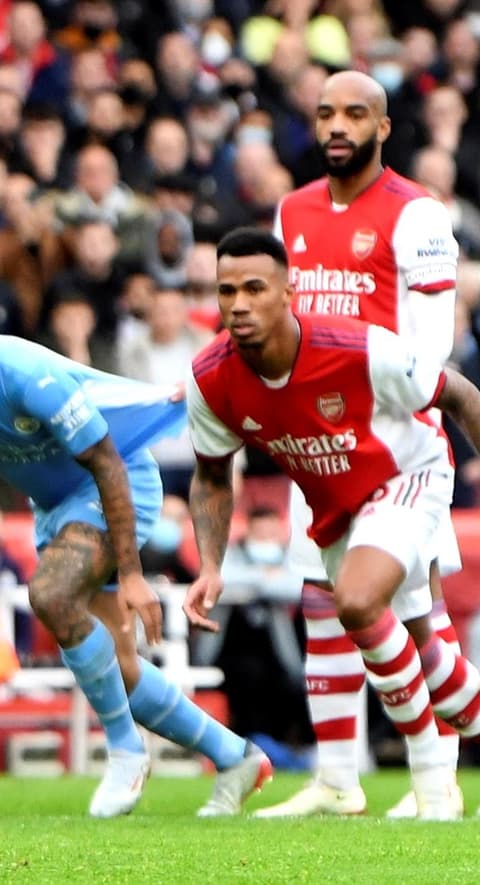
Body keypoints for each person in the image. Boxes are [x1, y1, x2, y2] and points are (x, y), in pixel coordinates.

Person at [0, 268, 271, 818]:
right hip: (56, 507)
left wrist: (132, 575)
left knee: (51, 594)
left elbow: (107, 463)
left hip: (117, 483)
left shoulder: (28, 376)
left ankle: (125, 752)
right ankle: (235, 757)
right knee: (120, 668)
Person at [184, 227, 480, 821]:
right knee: (429, 658)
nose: (239, 304)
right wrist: (211, 565)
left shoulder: (358, 347)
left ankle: (430, 783)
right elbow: (212, 476)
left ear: (289, 292)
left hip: (410, 473)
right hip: (337, 504)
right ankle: (427, 777)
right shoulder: (210, 377)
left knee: (357, 601)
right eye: (226, 291)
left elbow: (462, 395)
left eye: (254, 288)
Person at [264, 70, 465, 819]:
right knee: (323, 603)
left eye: (355, 114)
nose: (337, 126)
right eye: (326, 114)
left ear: (382, 127)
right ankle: (337, 779)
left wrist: (376, 396)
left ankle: (438, 776)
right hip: (314, 446)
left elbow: (432, 349)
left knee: (415, 616)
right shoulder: (291, 211)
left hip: (395, 447)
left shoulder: (418, 215)